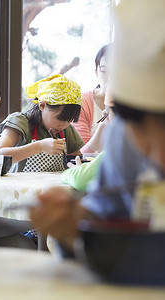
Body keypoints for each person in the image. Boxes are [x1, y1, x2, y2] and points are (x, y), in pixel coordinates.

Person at [30, 0, 165, 250]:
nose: (155, 151)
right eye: (134, 121)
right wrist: (72, 223)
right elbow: (103, 214)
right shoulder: (122, 139)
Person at [0, 74, 84, 172]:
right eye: (60, 118)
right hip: (22, 186)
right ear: (42, 106)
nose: (64, 125)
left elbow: (78, 154)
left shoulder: (66, 130)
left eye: (69, 120)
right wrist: (39, 146)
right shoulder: (20, 122)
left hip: (55, 186)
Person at [73, 44, 113, 153]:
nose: (110, 77)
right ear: (96, 72)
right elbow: (80, 154)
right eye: (104, 71)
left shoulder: (137, 104)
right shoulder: (82, 103)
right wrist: (101, 130)